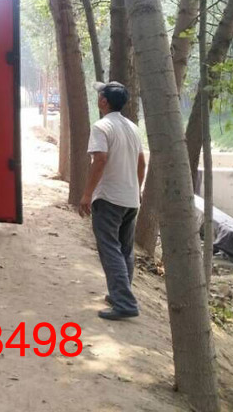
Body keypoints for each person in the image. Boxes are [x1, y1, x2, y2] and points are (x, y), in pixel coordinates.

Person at [79, 81, 146, 321]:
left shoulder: (101, 126)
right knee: (125, 249)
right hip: (130, 198)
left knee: (109, 249)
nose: (98, 98)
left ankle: (124, 302)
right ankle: (120, 293)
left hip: (109, 198)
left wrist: (87, 194)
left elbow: (100, 160)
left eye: (100, 95)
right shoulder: (132, 127)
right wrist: (137, 189)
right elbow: (141, 163)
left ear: (104, 101)